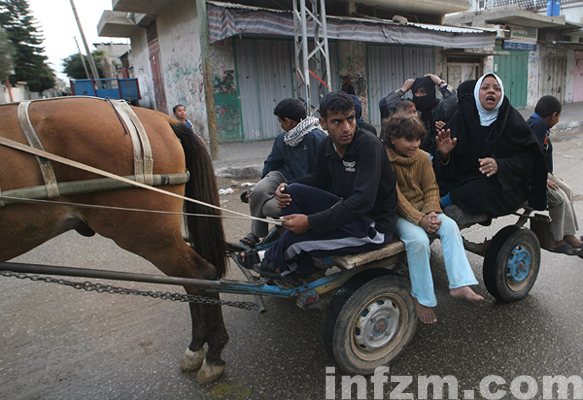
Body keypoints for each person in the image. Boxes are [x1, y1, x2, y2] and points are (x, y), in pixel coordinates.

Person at [258, 91, 398, 276]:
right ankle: (300, 261)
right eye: (337, 121)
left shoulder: (368, 145)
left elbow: (363, 201)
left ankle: (287, 263)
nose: (347, 128)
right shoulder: (326, 145)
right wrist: (284, 187)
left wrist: (310, 222)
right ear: (323, 123)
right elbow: (319, 179)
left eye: (350, 119)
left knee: (293, 242)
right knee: (292, 191)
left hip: (372, 226)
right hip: (348, 214)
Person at [381, 113, 483, 324]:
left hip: (424, 211)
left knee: (450, 226)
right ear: (392, 139)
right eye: (409, 140)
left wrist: (432, 212)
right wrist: (420, 220)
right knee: (418, 242)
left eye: (418, 139)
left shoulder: (421, 157)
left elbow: (430, 187)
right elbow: (396, 199)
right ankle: (423, 299)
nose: (415, 144)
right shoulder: (385, 161)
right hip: (399, 214)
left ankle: (459, 283)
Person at [436, 73, 547, 221]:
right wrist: (444, 155)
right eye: (485, 88)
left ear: (501, 95)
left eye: (497, 88)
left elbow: (530, 159)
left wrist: (500, 165)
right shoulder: (461, 117)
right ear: (477, 92)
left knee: (480, 189)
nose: (491, 91)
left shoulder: (512, 121)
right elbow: (446, 165)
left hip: (501, 185)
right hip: (463, 179)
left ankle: (440, 203)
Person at [240, 98, 327, 246]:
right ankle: (256, 233)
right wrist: (262, 183)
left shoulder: (316, 138)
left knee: (268, 207)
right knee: (258, 191)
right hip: (283, 176)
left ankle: (287, 236)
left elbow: (321, 176)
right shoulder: (283, 139)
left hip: (304, 185)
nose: (280, 125)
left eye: (280, 121)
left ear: (287, 121)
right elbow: (271, 163)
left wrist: (289, 186)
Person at [527, 95, 582, 255]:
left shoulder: (540, 124)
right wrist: (543, 180)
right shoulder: (537, 125)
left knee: (568, 190)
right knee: (559, 199)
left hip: (543, 173)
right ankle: (558, 240)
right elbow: (530, 157)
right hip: (534, 176)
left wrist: (549, 176)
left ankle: (568, 234)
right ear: (554, 115)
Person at [379, 74, 455, 153]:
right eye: (416, 92)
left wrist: (440, 83)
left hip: (436, 154)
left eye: (422, 92)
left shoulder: (440, 108)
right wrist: (403, 89)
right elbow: (384, 104)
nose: (419, 95)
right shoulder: (409, 107)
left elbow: (454, 100)